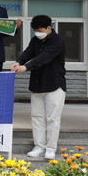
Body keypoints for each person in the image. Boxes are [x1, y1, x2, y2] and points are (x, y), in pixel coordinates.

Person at [11, 15, 66, 160]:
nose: (37, 33)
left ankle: (50, 148)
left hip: (54, 85)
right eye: (35, 31)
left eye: (40, 30)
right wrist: (19, 62)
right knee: (37, 117)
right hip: (37, 85)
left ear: (48, 28)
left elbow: (44, 58)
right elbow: (28, 52)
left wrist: (26, 66)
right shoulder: (35, 40)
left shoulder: (58, 41)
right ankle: (39, 146)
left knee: (52, 118)